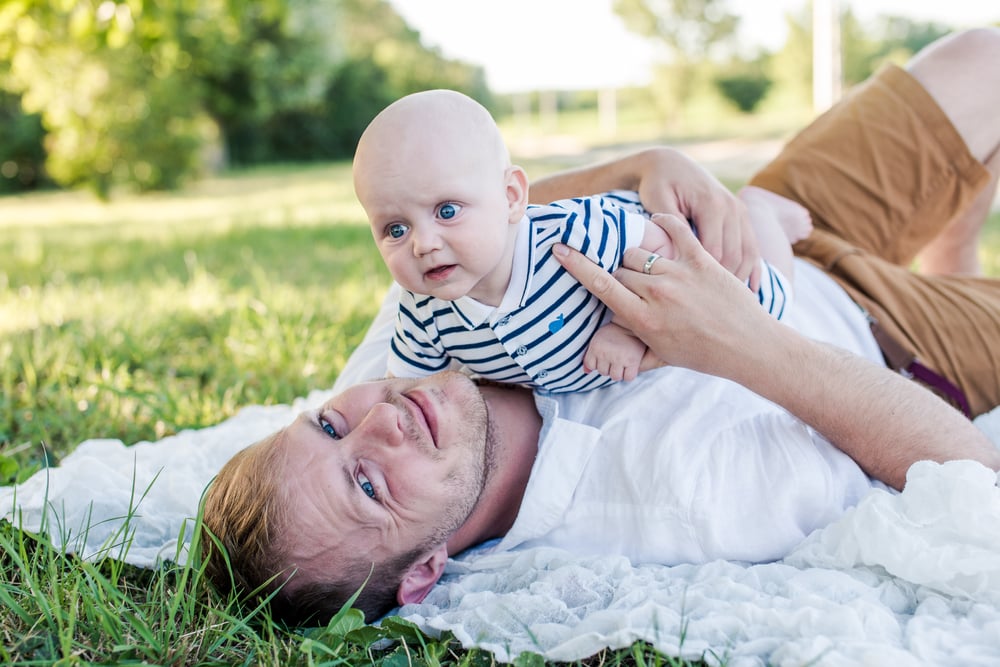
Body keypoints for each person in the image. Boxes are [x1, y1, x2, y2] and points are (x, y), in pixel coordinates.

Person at [201, 29, 1000, 627]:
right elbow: (969, 469)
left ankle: (951, 244)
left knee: (984, 58)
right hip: (893, 340)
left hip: (745, 215)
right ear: (422, 574)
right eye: (368, 483)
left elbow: (478, 202)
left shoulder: (412, 329)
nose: (378, 417)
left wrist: (640, 167)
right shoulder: (671, 503)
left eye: (330, 424)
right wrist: (736, 341)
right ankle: (953, 271)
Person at [353, 89, 810, 389]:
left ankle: (762, 209)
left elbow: (663, 250)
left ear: (511, 197)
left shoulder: (569, 235)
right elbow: (400, 389)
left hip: (666, 246)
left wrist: (628, 331)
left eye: (447, 211)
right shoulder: (422, 310)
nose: (423, 243)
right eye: (396, 229)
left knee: (769, 300)